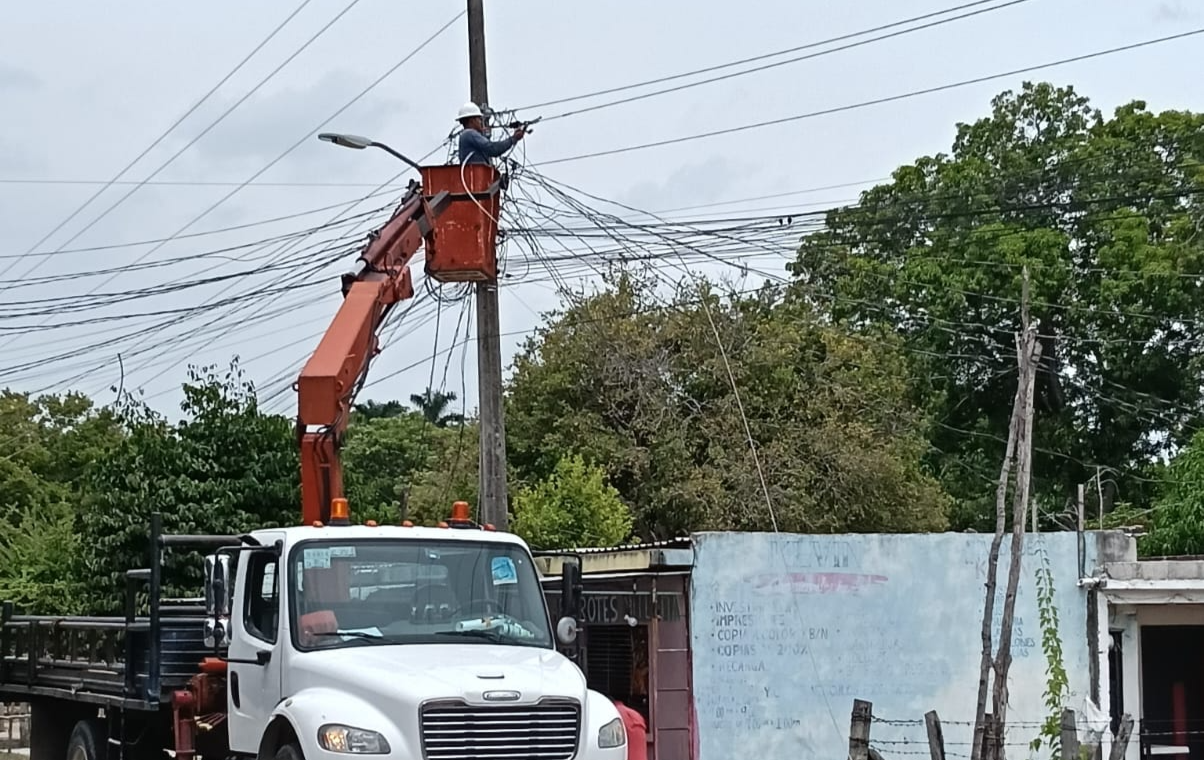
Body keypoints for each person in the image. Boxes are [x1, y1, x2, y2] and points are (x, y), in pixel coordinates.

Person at [456, 101, 525, 166]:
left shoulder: (467, 136)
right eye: (479, 119)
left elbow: (485, 149)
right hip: (475, 175)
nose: (481, 122)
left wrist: (484, 136)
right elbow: (492, 149)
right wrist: (513, 139)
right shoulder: (470, 134)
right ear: (472, 121)